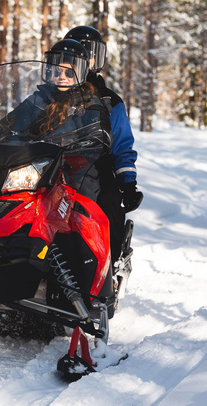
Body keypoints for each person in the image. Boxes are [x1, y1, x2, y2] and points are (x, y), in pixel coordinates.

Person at [63, 26, 141, 265]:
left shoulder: (109, 101)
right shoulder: (53, 93)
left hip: (96, 165)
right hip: (51, 164)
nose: (85, 59)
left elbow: (122, 145)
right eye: (78, 53)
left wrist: (128, 184)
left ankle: (111, 264)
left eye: (90, 54)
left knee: (108, 201)